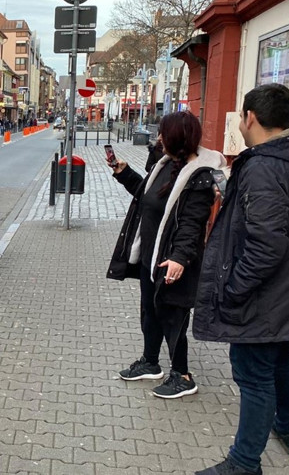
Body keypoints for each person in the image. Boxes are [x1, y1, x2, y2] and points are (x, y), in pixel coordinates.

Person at [194, 85, 289, 475]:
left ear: (250, 118)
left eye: (242, 116)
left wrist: (234, 289)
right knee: (281, 359)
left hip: (265, 293)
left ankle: (244, 462)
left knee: (254, 373)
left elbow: (265, 245)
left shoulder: (262, 165)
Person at [107, 111, 226, 399]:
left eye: (163, 133)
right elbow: (147, 198)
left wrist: (180, 259)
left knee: (173, 317)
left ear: (175, 137)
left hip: (173, 261)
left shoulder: (199, 177)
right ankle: (150, 362)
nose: (158, 137)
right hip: (151, 257)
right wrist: (124, 173)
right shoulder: (165, 163)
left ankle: (183, 376)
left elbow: (191, 225)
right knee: (150, 311)